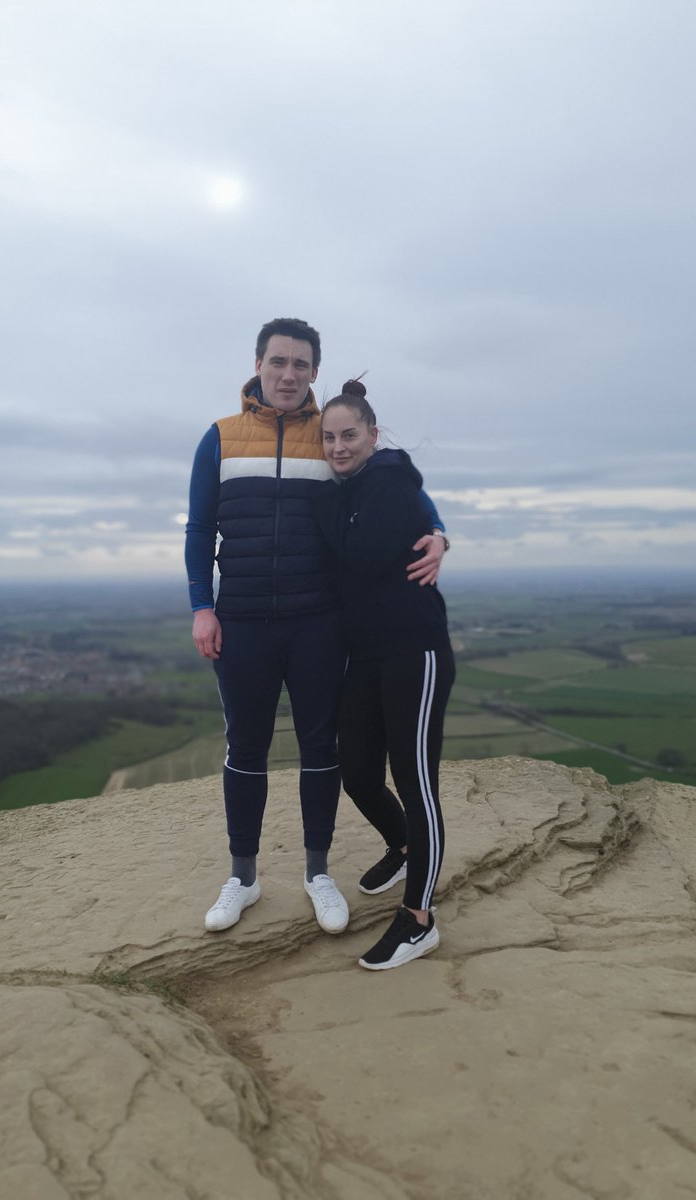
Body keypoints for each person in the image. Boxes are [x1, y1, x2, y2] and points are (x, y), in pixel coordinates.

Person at [184, 318, 448, 935]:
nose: (288, 374)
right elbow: (199, 529)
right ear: (257, 363)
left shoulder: (328, 432)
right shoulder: (220, 438)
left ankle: (318, 873)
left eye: (301, 365)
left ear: (314, 372)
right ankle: (243, 879)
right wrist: (202, 605)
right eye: (278, 362)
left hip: (318, 623)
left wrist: (438, 532)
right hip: (243, 620)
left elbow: (402, 482)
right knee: (245, 747)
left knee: (320, 750)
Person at [315, 379, 456, 970]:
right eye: (329, 438)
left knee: (416, 780)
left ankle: (418, 919)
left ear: (373, 435)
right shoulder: (348, 489)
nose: (339, 447)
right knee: (359, 773)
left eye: (350, 435)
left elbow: (363, 556)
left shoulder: (391, 482)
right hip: (367, 656)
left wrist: (315, 509)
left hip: (414, 650)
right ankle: (402, 845)